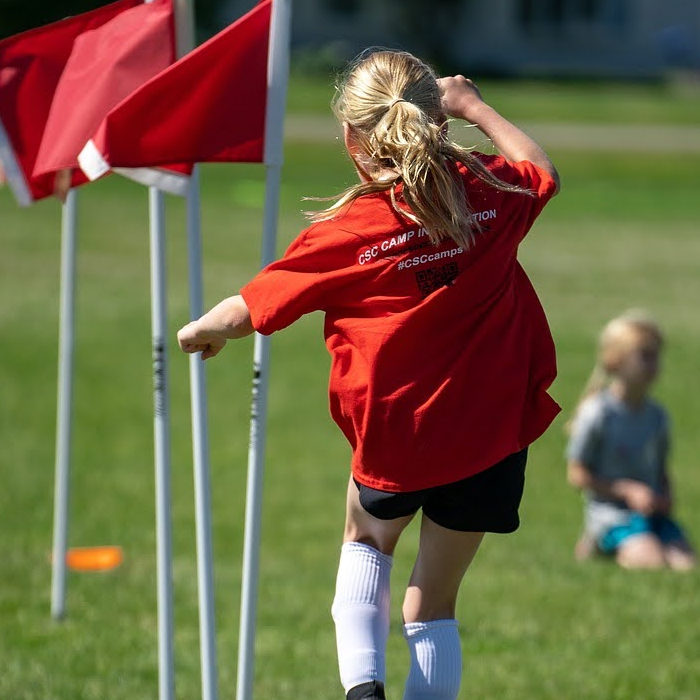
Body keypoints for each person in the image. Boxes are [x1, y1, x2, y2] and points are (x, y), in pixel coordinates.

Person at [178, 49, 560, 700]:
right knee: (431, 606)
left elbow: (252, 306)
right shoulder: (490, 192)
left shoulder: (351, 230)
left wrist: (206, 327)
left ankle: (363, 690)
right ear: (436, 123)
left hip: (398, 435)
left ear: (353, 138)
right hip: (490, 437)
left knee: (366, 538)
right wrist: (474, 106)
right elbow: (541, 170)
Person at [566, 310, 696, 571]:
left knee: (686, 567)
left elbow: (661, 468)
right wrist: (627, 490)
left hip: (652, 515)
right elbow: (577, 475)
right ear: (615, 361)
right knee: (651, 563)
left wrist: (666, 495)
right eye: (645, 356)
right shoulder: (598, 413)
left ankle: (636, 542)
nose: (654, 363)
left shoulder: (657, 416)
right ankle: (597, 541)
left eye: (657, 355)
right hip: (612, 515)